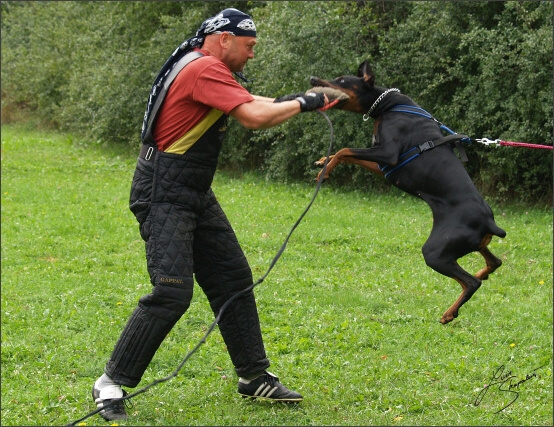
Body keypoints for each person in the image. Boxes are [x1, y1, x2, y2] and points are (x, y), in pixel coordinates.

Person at [91, 8, 333, 421]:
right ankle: (109, 383)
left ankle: (253, 377)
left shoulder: (205, 66)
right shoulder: (205, 68)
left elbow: (255, 102)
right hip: (163, 192)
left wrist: (304, 101)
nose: (252, 55)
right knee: (171, 292)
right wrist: (305, 103)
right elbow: (254, 117)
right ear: (224, 39)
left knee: (232, 279)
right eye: (249, 46)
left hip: (192, 190)